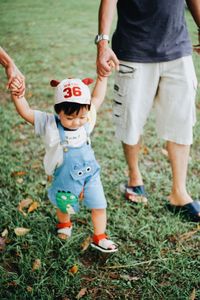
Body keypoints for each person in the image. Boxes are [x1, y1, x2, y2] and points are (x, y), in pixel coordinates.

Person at [96, 0, 200, 222]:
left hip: (178, 50)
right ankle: (135, 178)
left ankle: (179, 193)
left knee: (181, 122)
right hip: (133, 49)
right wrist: (103, 42)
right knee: (130, 121)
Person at [10, 74, 118, 253]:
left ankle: (100, 237)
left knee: (99, 204)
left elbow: (97, 98)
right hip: (65, 175)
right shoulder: (49, 123)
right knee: (65, 203)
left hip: (91, 174)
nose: (77, 122)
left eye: (82, 117)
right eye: (70, 118)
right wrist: (18, 95)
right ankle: (64, 224)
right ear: (58, 112)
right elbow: (26, 112)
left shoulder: (87, 120)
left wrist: (102, 77)